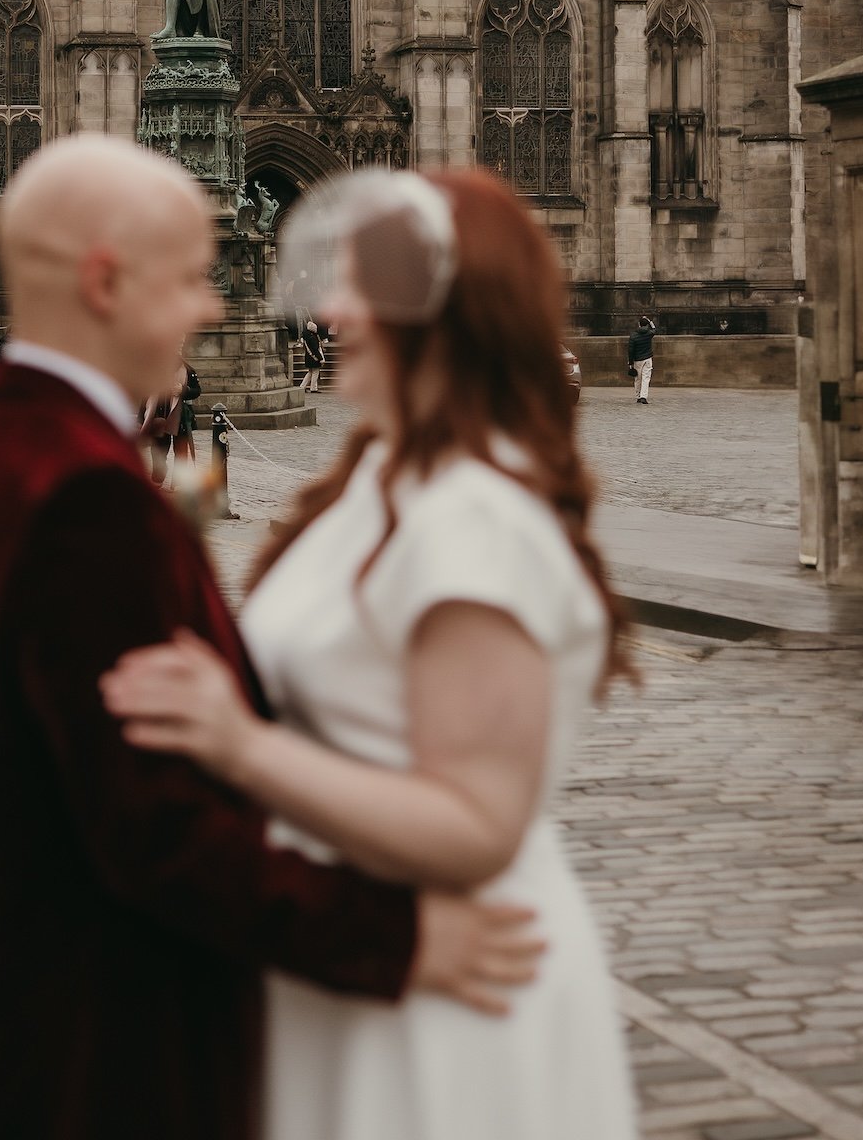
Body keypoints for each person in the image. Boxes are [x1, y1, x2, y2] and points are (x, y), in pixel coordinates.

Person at [0, 135, 543, 1140]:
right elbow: (153, 835)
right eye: (194, 277)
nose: (211, 306)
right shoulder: (85, 502)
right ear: (105, 281)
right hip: (100, 1061)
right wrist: (397, 938)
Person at [102, 167, 638, 1140]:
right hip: (359, 954)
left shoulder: (477, 517)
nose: (332, 305)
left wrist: (238, 746)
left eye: (362, 287)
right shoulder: (380, 478)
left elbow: (478, 821)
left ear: (446, 313)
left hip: (448, 978)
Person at [628, 314, 656, 405]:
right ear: (647, 324)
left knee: (638, 378)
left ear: (639, 324)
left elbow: (630, 350)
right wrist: (649, 321)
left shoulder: (633, 336)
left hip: (637, 360)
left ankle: (638, 396)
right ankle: (644, 396)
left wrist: (630, 362)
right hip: (647, 358)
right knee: (646, 378)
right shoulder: (649, 334)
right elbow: (654, 329)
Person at [300, 317, 325, 393]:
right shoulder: (312, 337)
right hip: (314, 357)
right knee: (315, 372)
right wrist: (320, 358)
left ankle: (302, 386)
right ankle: (313, 387)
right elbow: (315, 349)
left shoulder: (307, 336)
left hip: (309, 357)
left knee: (310, 372)